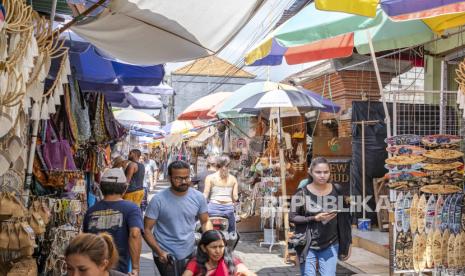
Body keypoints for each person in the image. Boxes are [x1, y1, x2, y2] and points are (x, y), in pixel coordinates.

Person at [144, 160, 213, 276]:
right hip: (165, 255)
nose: (184, 181)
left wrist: (210, 242)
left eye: (187, 177)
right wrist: (159, 252)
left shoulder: (198, 197)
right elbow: (146, 230)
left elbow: (205, 221)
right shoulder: (158, 200)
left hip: (189, 252)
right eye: (178, 178)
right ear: (169, 178)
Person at [290, 157, 352, 276]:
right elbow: (292, 217)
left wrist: (348, 243)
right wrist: (315, 218)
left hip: (331, 244)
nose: (322, 175)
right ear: (311, 172)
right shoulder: (301, 193)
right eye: (318, 172)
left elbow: (345, 219)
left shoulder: (337, 190)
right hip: (307, 245)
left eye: (326, 172)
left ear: (330, 172)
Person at [83, 168, 143, 275]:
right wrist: (135, 268)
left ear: (101, 187)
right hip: (119, 268)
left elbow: (86, 240)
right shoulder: (132, 208)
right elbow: (135, 234)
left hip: (93, 267)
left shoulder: (91, 211)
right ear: (124, 188)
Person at [182, 230, 256, 276]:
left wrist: (245, 273)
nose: (218, 251)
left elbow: (245, 271)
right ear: (203, 248)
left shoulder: (230, 260)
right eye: (213, 247)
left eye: (221, 246)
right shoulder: (195, 262)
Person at [203, 155, 238, 233]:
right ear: (229, 166)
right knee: (232, 231)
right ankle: (231, 238)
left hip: (213, 208)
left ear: (217, 165)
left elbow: (205, 195)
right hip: (228, 210)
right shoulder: (233, 179)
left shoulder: (210, 177)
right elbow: (235, 197)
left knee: (205, 227)